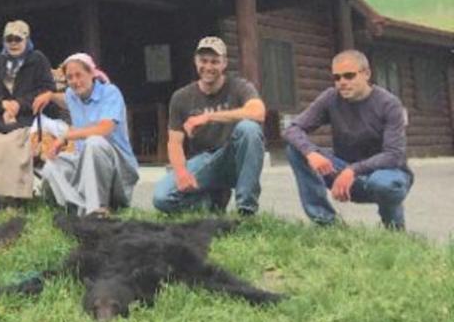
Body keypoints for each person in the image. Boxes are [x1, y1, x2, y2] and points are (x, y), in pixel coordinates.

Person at [283, 50, 412, 230]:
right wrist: (311, 152)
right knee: (295, 150)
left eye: (349, 76)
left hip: (383, 174)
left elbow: (393, 155)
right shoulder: (330, 98)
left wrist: (353, 170)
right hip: (343, 173)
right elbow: (292, 128)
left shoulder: (389, 104)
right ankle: (326, 223)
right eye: (337, 77)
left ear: (366, 74)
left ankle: (394, 229)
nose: (342, 82)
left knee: (385, 183)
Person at [152, 36, 266, 215]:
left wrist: (209, 117)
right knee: (162, 198)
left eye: (214, 61)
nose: (208, 67)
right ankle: (210, 201)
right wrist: (181, 172)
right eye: (203, 61)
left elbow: (258, 112)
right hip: (205, 161)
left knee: (249, 129)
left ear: (224, 63)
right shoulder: (181, 97)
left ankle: (246, 210)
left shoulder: (239, 86)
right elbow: (174, 142)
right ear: (196, 61)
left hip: (234, 157)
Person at [32, 53, 139, 217]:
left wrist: (67, 136)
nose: (75, 81)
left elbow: (104, 129)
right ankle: (78, 207)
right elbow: (65, 99)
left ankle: (96, 208)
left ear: (91, 73)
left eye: (79, 75)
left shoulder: (110, 92)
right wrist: (50, 96)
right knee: (52, 164)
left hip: (117, 173)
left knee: (94, 142)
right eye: (70, 77)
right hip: (86, 167)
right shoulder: (73, 95)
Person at [0, 20, 57, 210]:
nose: (13, 43)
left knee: (12, 145)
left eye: (18, 39)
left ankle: (15, 198)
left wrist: (19, 104)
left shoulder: (38, 60)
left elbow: (47, 89)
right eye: (9, 39)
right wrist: (1, 104)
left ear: (27, 39)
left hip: (27, 119)